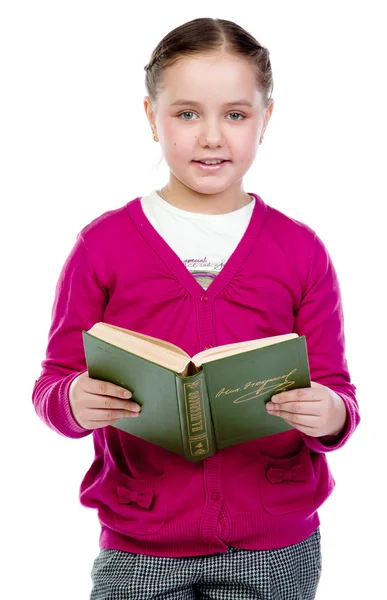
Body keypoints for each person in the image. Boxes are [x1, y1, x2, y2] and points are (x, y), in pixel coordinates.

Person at [32, 17, 360, 600]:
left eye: (236, 114)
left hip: (275, 547)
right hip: (140, 540)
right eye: (187, 114)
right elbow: (54, 385)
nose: (212, 137)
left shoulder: (300, 249)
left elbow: (338, 394)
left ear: (266, 119)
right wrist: (76, 402)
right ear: (150, 118)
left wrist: (328, 414)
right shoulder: (103, 245)